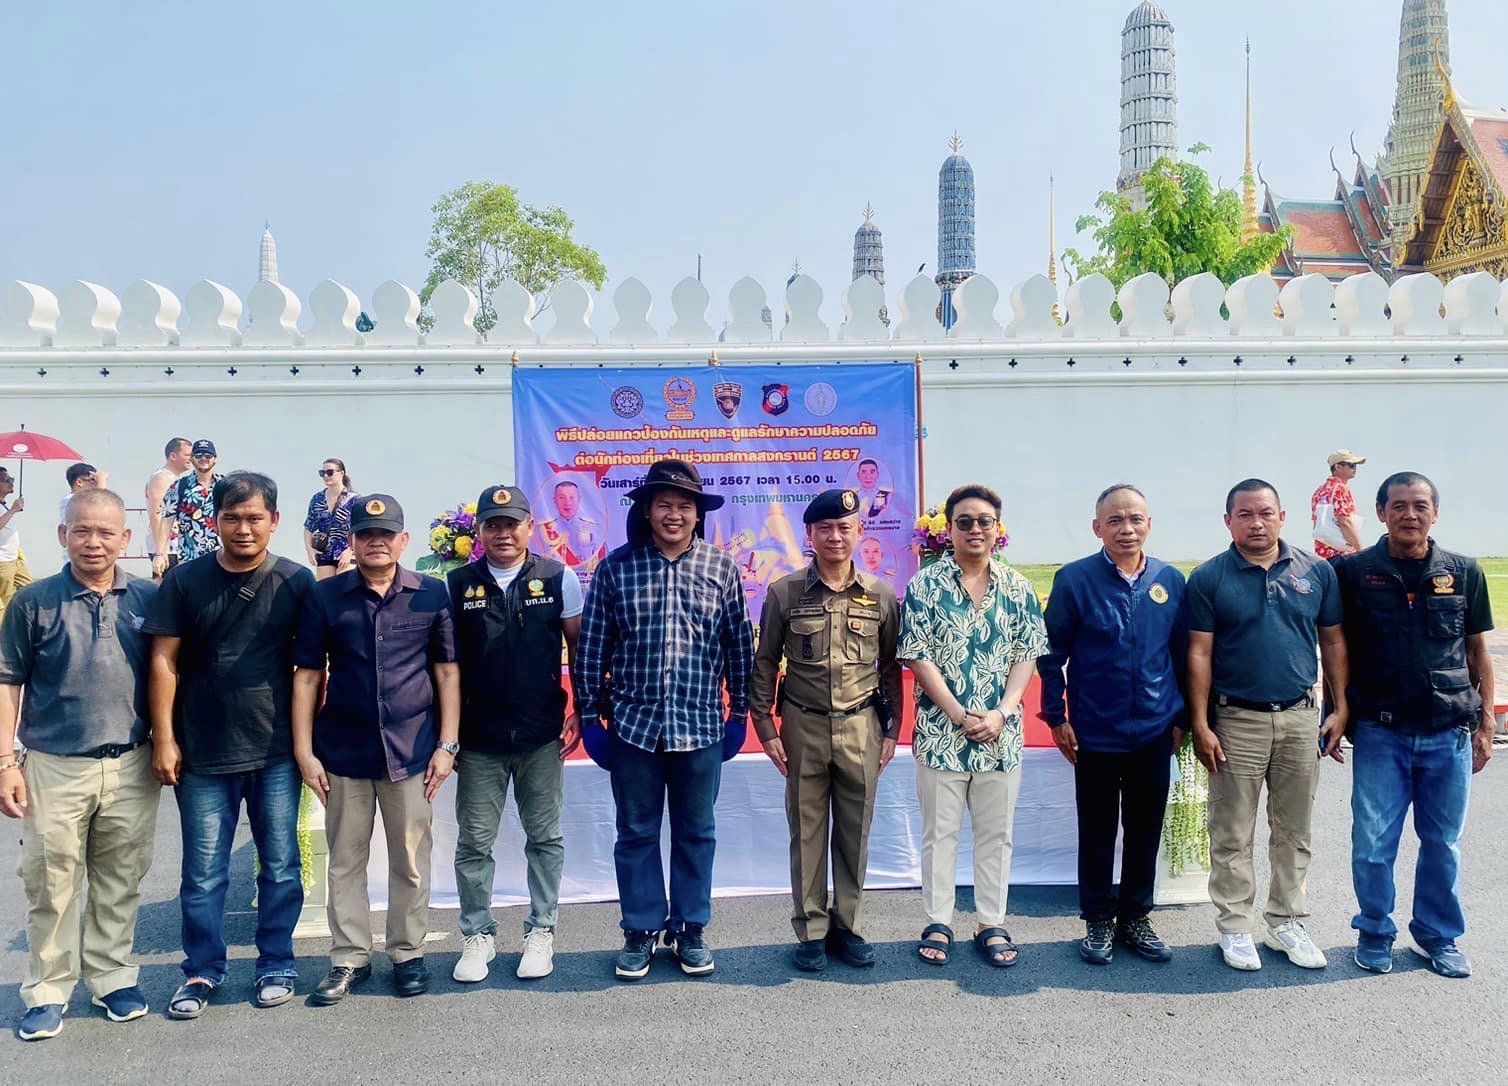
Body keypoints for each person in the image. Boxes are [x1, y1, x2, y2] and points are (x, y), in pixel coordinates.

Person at [144, 472, 316, 1018]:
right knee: (202, 875)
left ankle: (276, 962)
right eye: (232, 517)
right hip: (201, 752)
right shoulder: (184, 580)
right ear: (215, 520)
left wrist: (308, 744)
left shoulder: (296, 581)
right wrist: (164, 737)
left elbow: (312, 669)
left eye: (254, 518)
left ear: (274, 521)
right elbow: (163, 661)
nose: (244, 528)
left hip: (275, 752)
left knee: (281, 866)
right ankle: (201, 970)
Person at [576, 458, 754, 981]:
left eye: (684, 506)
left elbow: (738, 645)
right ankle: (640, 930)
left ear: (698, 515)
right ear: (647, 511)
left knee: (697, 832)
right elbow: (592, 648)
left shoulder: (721, 568)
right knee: (635, 832)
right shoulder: (616, 568)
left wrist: (740, 712)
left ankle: (690, 929)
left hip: (701, 725)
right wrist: (590, 717)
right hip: (634, 727)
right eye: (664, 505)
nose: (674, 515)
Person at [0, 490, 159, 1041]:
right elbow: (7, 682)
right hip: (54, 765)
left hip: (132, 763)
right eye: (82, 530)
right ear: (62, 535)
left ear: (125, 538)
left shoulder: (148, 598)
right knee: (52, 882)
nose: (94, 542)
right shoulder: (34, 601)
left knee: (121, 878)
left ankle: (111, 977)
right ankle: (48, 989)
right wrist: (5, 761)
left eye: (106, 532)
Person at [293, 494, 459, 1003]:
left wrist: (448, 744)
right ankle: (349, 957)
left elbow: (447, 672)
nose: (376, 542)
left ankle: (407, 953)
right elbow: (307, 676)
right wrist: (304, 751)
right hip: (344, 751)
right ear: (353, 541)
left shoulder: (430, 594)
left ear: (403, 540)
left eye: (386, 534)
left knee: (410, 859)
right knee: (345, 859)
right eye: (366, 534)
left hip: (411, 751)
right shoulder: (326, 596)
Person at [1333, 471, 1495, 979]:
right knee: (1372, 844)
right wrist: (1336, 710)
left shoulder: (1464, 572)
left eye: (1420, 505)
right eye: (1398, 506)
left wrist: (1486, 725)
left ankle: (1437, 935)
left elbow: (1478, 652)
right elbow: (1335, 648)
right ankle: (1374, 931)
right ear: (1381, 513)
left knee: (1442, 843)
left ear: (1435, 513)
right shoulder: (1353, 573)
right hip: (1380, 732)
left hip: (1448, 732)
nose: (1410, 514)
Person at [1186, 478, 1348, 972]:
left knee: (1294, 829)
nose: (1256, 523)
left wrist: (1340, 707)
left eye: (1265, 513)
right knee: (1232, 830)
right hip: (1236, 720)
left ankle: (1285, 921)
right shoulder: (1209, 578)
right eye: (1245, 514)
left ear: (1282, 517)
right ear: (1228, 521)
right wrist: (1200, 723)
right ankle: (1235, 926)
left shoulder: (1315, 571)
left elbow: (1333, 641)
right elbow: (1199, 652)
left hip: (1300, 717)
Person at [751, 488, 902, 972]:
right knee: (807, 831)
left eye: (844, 527)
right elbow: (765, 662)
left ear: (860, 532)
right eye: (825, 529)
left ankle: (848, 926)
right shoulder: (785, 592)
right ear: (810, 535)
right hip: (803, 725)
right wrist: (765, 727)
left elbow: (890, 667)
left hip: (861, 725)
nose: (835, 536)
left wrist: (892, 731)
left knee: (855, 831)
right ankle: (812, 929)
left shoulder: (880, 594)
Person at [899, 484, 1049, 968]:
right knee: (939, 834)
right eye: (964, 522)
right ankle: (938, 919)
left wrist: (1001, 712)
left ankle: (991, 921)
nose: (975, 529)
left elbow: (1026, 654)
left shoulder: (1017, 587)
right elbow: (917, 655)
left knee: (995, 835)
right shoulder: (925, 585)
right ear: (949, 530)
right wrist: (958, 713)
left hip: (1000, 734)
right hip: (941, 733)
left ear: (997, 528)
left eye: (984, 521)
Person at [1038, 485, 1186, 966]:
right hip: (1095, 732)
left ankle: (1136, 917)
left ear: (1149, 524)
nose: (1127, 529)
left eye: (1136, 519)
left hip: (1155, 731)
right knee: (1098, 831)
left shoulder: (1169, 579)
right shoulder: (1075, 579)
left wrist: (1182, 718)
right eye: (1116, 520)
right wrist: (1056, 716)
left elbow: (1182, 654)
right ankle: (1099, 920)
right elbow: (1050, 654)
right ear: (1097, 527)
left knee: (1145, 830)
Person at [447, 485, 583, 983]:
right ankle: (477, 935)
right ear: (480, 531)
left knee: (544, 838)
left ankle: (541, 930)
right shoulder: (457, 584)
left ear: (529, 526)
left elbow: (578, 648)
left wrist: (582, 710)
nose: (503, 533)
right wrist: (448, 735)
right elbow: (446, 666)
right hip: (478, 740)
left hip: (540, 735)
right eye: (493, 524)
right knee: (474, 842)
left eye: (512, 523)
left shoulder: (558, 577)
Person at [152, 439, 223, 576]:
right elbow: (166, 521)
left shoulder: (225, 485)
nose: (203, 459)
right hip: (189, 560)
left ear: (215, 459)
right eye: (198, 455)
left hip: (222, 558)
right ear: (192, 459)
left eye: (208, 455)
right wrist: (160, 554)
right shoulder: (179, 487)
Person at [302, 457, 357, 580]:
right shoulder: (317, 499)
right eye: (322, 473)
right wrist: (309, 550)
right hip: (324, 553)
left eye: (330, 472)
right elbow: (308, 527)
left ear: (341, 473)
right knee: (326, 590)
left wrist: (351, 551)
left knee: (346, 589)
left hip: (345, 554)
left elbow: (360, 529)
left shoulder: (354, 500)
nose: (326, 476)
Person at [146, 438, 192, 580]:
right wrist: (161, 551)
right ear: (173, 456)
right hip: (168, 547)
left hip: (177, 545)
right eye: (187, 455)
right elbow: (157, 514)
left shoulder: (176, 479)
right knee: (165, 587)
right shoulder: (162, 478)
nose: (191, 459)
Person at [537, 479, 604, 570]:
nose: (567, 503)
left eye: (572, 497)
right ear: (554, 500)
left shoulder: (593, 528)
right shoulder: (543, 530)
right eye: (562, 498)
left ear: (579, 499)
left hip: (585, 577)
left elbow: (602, 561)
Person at [1311, 450, 1366, 559]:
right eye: (1351, 465)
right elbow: (1345, 522)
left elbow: (1316, 525)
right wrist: (1361, 550)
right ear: (1338, 467)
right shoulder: (1340, 488)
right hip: (1343, 554)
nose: (1354, 469)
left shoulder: (1318, 492)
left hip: (1323, 556)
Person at [0, 465, 31, 618]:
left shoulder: (3, 505)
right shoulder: (8, 508)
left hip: (14, 559)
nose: (11, 483)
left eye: (12, 479)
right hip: (3, 562)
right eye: (7, 480)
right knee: (4, 601)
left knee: (30, 589)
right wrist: (13, 510)